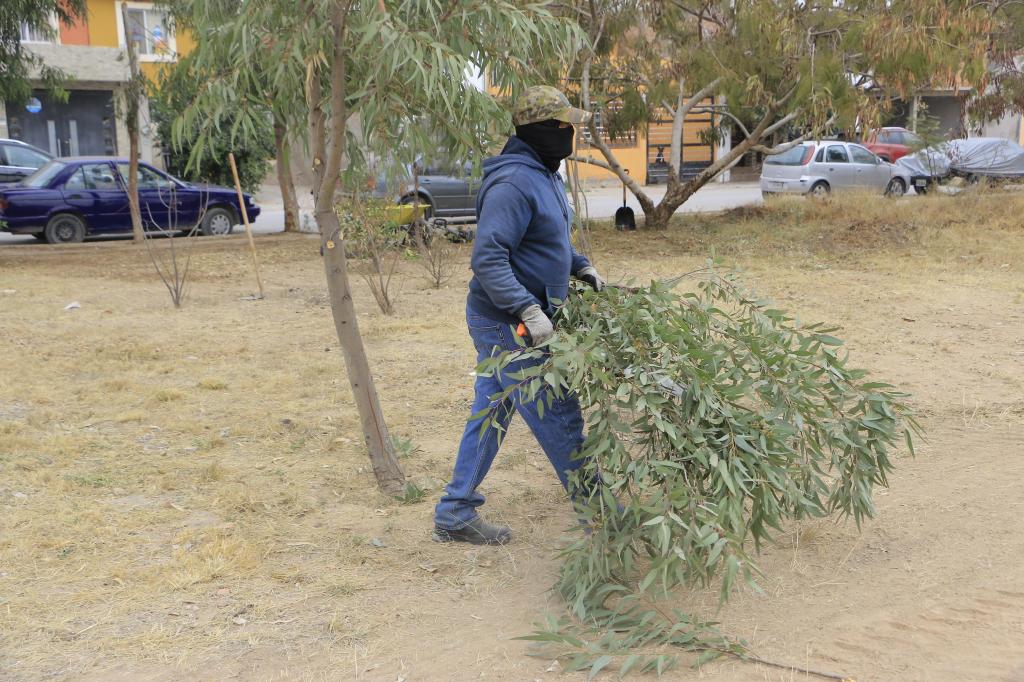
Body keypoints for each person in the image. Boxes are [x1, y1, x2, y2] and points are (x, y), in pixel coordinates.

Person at [432, 86, 606, 546]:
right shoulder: (513, 183)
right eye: (566, 124)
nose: (573, 132)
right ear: (544, 130)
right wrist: (527, 307)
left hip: (514, 318)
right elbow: (489, 259)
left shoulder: (544, 173)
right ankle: (603, 518)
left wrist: (579, 264)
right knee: (559, 414)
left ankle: (454, 512)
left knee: (491, 411)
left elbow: (548, 238)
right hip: (509, 323)